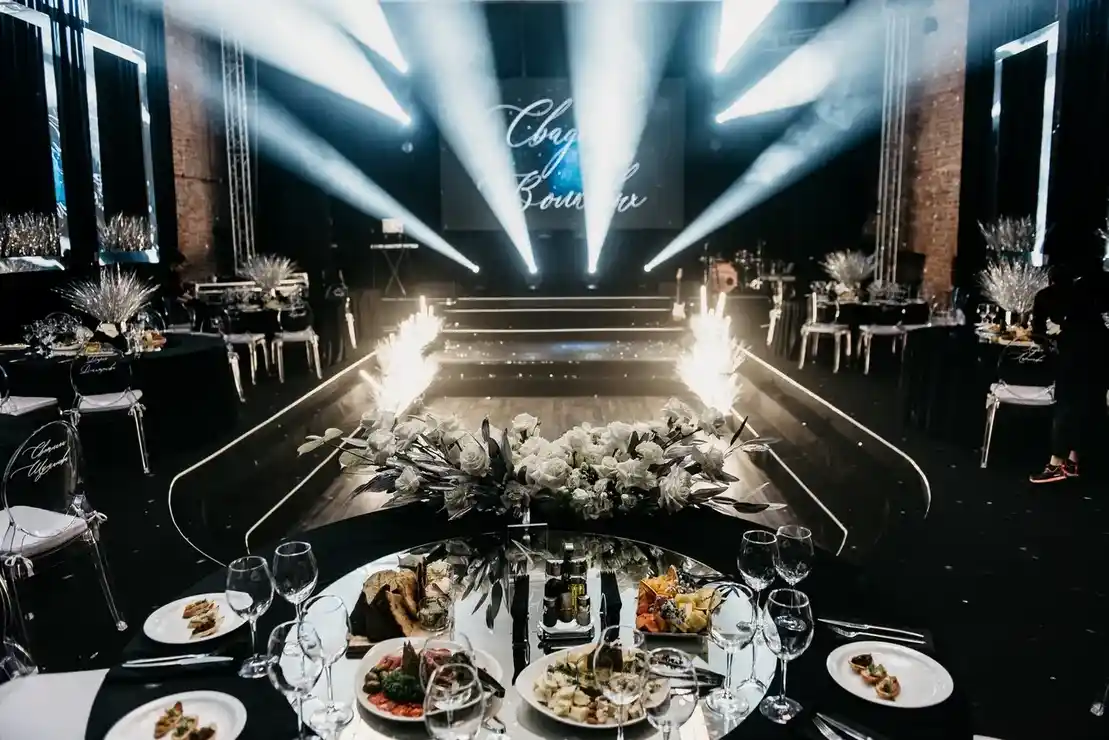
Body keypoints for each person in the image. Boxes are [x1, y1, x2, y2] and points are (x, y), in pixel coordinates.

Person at [1028, 257, 1109, 483]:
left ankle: (1056, 464)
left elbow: (1038, 334)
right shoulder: (1091, 290)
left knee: (1066, 406)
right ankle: (1073, 461)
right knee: (1091, 406)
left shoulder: (1046, 296)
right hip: (1102, 353)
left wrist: (1053, 344)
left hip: (1073, 355)